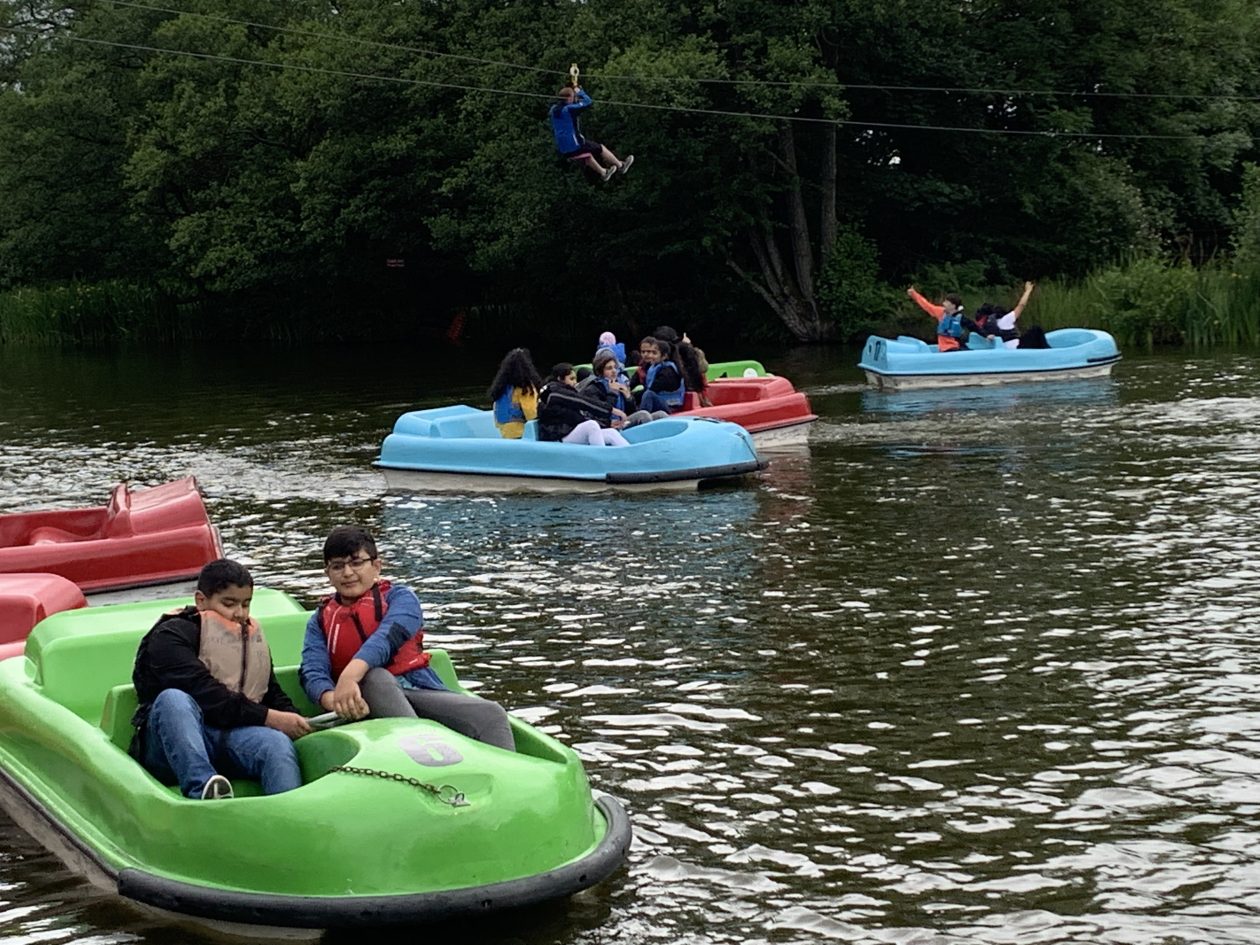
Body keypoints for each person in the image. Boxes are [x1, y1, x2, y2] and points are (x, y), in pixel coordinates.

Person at [299, 526, 514, 751]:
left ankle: (506, 780)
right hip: (360, 705)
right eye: (338, 566)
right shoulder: (320, 620)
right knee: (377, 679)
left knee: (492, 715)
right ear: (328, 574)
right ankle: (426, 755)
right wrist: (334, 700)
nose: (348, 573)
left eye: (356, 563)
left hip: (417, 692)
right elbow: (312, 670)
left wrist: (350, 675)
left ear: (376, 566)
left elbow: (386, 639)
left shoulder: (402, 599)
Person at [130, 559, 310, 800]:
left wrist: (297, 720)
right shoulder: (169, 637)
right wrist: (270, 717)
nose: (240, 614)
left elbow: (270, 692)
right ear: (201, 600)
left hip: (228, 737)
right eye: (229, 603)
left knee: (276, 744)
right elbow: (206, 694)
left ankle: (290, 815)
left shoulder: (247, 636)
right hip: (169, 744)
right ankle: (205, 792)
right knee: (172, 699)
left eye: (246, 604)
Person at [549, 86, 634, 182]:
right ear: (569, 98)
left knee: (586, 156)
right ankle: (621, 166)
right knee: (601, 148)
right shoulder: (568, 109)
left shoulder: (553, 110)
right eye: (573, 97)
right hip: (575, 145)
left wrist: (575, 99)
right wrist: (580, 92)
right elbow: (588, 102)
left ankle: (604, 173)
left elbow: (568, 111)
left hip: (564, 150)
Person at [538, 362, 631, 445]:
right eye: (571, 379)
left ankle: (631, 457)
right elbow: (585, 403)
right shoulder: (555, 393)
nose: (575, 382)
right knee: (591, 425)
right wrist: (613, 411)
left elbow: (578, 417)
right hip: (557, 436)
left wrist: (606, 424)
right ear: (560, 379)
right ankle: (603, 459)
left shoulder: (562, 392)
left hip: (567, 432)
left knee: (611, 432)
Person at [582, 351, 665, 426]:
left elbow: (632, 412)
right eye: (609, 368)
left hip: (624, 420)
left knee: (661, 415)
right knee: (643, 415)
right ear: (600, 371)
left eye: (615, 367)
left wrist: (628, 397)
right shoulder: (593, 388)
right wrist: (612, 393)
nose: (614, 371)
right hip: (610, 424)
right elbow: (602, 413)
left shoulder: (621, 383)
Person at [488, 347, 543, 439]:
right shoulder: (525, 388)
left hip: (505, 430)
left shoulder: (501, 386)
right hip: (520, 432)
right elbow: (531, 413)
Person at [631, 337, 687, 413]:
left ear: (664, 356)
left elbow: (653, 389)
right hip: (659, 402)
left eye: (654, 353)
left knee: (648, 394)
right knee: (634, 396)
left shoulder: (668, 371)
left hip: (670, 406)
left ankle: (642, 418)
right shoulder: (652, 367)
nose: (650, 356)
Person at [906, 287, 971, 351]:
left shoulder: (961, 318)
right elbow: (927, 305)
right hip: (946, 348)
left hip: (956, 346)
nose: (943, 304)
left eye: (947, 302)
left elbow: (974, 327)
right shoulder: (941, 312)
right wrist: (914, 294)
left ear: (953, 306)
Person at [992, 281, 1036, 348]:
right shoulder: (1006, 320)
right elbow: (1021, 305)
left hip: (1006, 349)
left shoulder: (993, 325)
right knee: (1036, 330)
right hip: (1016, 348)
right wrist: (1028, 291)